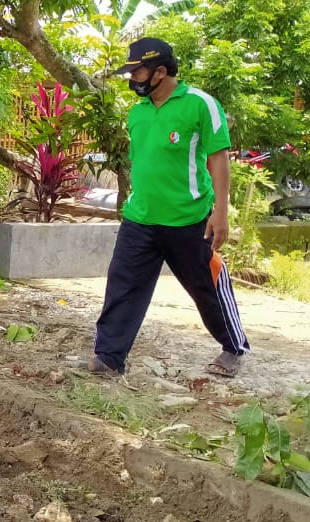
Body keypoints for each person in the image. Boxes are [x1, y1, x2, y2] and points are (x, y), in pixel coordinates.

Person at [92, 38, 249, 377]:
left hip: (189, 219)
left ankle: (233, 347)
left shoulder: (200, 104)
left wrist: (220, 212)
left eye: (138, 72)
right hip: (140, 217)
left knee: (206, 287)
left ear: (160, 72)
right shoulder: (139, 112)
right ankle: (108, 357)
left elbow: (219, 158)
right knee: (123, 286)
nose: (132, 78)